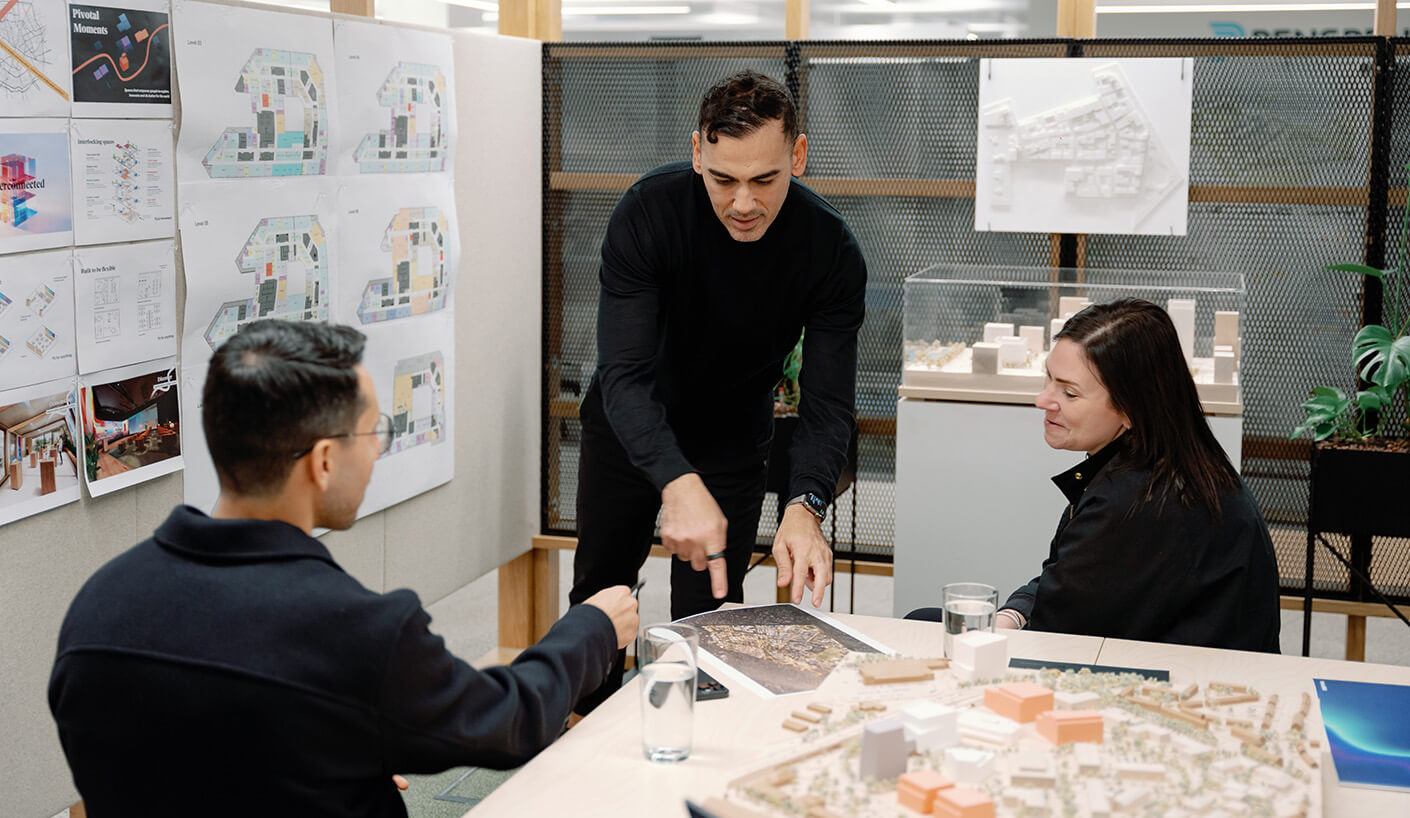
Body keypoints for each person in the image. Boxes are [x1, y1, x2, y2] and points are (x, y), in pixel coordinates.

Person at [49, 320, 639, 817]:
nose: (378, 449)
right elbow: (509, 720)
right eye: (372, 432)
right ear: (325, 461)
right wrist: (591, 627)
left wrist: (332, 761)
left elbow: (190, 756)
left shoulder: (98, 607)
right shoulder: (357, 632)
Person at [570, 70, 867, 710]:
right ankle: (584, 733)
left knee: (710, 613)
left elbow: (826, 402)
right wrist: (675, 481)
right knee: (603, 591)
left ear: (799, 155)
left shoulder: (830, 249)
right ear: (698, 151)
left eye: (765, 180)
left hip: (732, 434)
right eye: (723, 179)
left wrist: (805, 504)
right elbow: (623, 372)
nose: (743, 203)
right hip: (628, 425)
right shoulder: (649, 212)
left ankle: (691, 743)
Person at [911, 299, 1280, 652]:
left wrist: (1017, 620)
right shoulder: (1178, 461)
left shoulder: (1132, 501)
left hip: (1176, 686)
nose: (1043, 400)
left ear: (1132, 409)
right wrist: (1016, 612)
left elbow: (1060, 633)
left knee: (924, 629)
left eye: (1069, 393)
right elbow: (1074, 584)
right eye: (1049, 380)